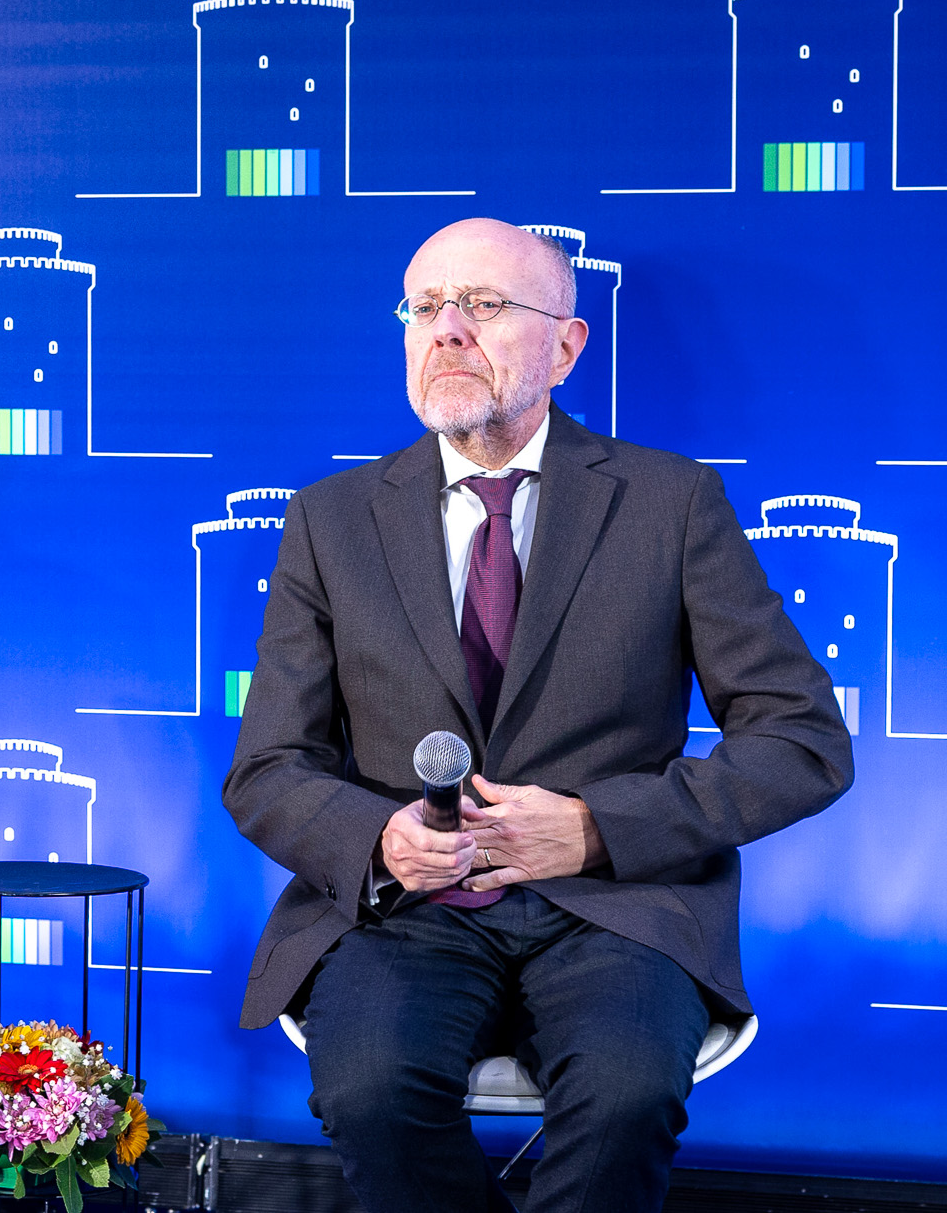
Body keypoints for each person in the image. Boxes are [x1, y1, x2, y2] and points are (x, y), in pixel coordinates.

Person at [221, 217, 852, 1212]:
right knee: (371, 1092)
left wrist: (598, 827)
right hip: (406, 913)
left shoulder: (671, 502)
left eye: (482, 304)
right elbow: (267, 768)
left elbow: (801, 740)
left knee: (626, 1096)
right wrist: (380, 839)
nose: (447, 329)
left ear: (565, 346)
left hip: (614, 904)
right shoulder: (330, 519)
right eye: (425, 307)